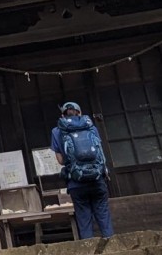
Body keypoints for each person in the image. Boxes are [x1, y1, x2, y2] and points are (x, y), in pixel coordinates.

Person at [50, 100, 115, 240]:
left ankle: (89, 247)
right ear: (80, 113)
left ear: (62, 116)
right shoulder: (91, 128)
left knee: (83, 217)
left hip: (76, 182)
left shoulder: (57, 131)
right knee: (103, 213)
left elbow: (61, 160)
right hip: (97, 179)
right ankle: (112, 245)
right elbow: (99, 152)